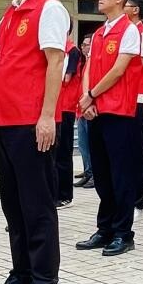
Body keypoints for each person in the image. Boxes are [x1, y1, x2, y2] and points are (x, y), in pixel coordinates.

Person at [0, 0, 69, 284]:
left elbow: (55, 64)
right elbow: (5, 68)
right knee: (13, 204)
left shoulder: (49, 9)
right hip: (7, 121)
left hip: (32, 121)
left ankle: (43, 282)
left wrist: (47, 116)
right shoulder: (10, 13)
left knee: (37, 205)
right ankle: (20, 273)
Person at [76, 0, 143, 257]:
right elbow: (88, 68)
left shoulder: (130, 31)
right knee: (102, 174)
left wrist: (91, 94)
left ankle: (123, 233)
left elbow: (118, 70)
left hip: (119, 111)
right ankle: (104, 229)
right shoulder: (99, 33)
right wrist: (87, 99)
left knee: (121, 175)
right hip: (96, 110)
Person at [124, 0, 143, 218]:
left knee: (136, 151)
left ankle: (138, 202)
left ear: (135, 10)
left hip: (137, 98)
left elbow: (138, 64)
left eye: (127, 5)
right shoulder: (121, 32)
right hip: (118, 100)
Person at [55, 28, 84, 207]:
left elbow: (66, 77)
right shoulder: (58, 49)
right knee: (54, 152)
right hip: (55, 105)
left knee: (63, 152)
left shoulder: (72, 51)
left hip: (66, 106)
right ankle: (55, 192)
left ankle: (65, 195)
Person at [74, 35, 95, 189]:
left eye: (86, 44)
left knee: (91, 144)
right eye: (82, 44)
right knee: (83, 145)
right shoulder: (83, 62)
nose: (83, 47)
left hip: (89, 108)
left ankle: (94, 173)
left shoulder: (94, 62)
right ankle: (88, 172)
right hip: (80, 109)